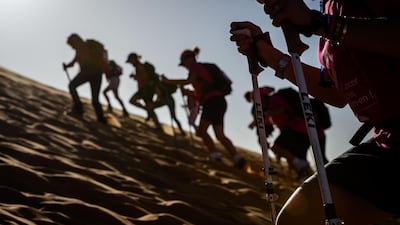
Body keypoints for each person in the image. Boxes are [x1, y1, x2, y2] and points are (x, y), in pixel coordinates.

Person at [230, 0, 400, 224]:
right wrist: (269, 55)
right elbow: (336, 92)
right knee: (296, 219)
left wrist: (318, 23)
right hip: (387, 142)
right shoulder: (329, 7)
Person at [161, 47, 246, 168]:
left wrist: (168, 81)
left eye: (183, 63)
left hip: (212, 102)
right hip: (219, 101)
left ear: (188, 59)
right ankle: (237, 159)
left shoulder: (195, 67)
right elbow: (201, 92)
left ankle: (215, 156)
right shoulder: (202, 69)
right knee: (220, 135)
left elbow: (188, 81)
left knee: (201, 132)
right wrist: (189, 94)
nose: (184, 66)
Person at [63, 33, 107, 123]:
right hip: (97, 74)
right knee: (95, 99)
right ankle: (101, 119)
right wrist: (67, 66)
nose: (72, 47)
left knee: (72, 86)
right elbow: (73, 63)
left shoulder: (81, 48)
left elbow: (73, 63)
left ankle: (78, 110)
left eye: (72, 45)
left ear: (75, 41)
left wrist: (66, 66)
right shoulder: (86, 47)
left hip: (88, 72)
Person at [126, 52, 162, 130]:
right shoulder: (138, 67)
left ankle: (157, 125)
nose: (130, 63)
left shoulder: (139, 66)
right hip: (146, 89)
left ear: (134, 59)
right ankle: (157, 125)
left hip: (146, 89)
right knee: (149, 106)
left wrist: (135, 76)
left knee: (133, 101)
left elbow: (144, 77)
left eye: (130, 61)